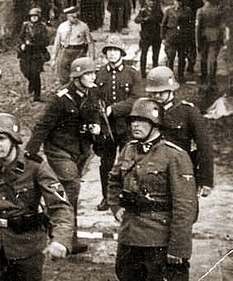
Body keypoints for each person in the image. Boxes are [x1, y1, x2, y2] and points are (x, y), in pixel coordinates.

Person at [0, 113, 73, 281]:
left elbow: (61, 206)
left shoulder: (35, 166)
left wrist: (60, 239)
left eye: (1, 138)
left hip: (26, 247)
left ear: (14, 140)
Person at [107, 98, 197, 281]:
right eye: (132, 121)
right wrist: (116, 207)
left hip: (158, 240)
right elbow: (113, 181)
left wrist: (178, 248)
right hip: (129, 237)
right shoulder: (129, 150)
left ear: (155, 125)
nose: (135, 125)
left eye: (141, 121)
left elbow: (185, 206)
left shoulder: (174, 156)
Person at [25, 57, 103, 254]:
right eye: (88, 74)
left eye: (93, 73)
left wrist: (96, 127)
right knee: (71, 188)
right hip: (58, 149)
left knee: (66, 191)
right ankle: (68, 238)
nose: (92, 77)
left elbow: (95, 114)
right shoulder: (60, 98)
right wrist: (29, 152)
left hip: (81, 150)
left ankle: (58, 231)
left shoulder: (92, 92)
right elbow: (43, 125)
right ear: (77, 77)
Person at [144, 67, 214, 197]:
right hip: (152, 172)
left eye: (162, 92)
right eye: (154, 93)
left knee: (183, 211)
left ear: (171, 90)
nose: (157, 96)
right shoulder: (144, 111)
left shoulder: (188, 112)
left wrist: (206, 181)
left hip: (180, 171)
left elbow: (205, 146)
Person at [94, 35, 143, 211]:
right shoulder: (99, 73)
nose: (112, 54)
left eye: (115, 50)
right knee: (106, 164)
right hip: (107, 128)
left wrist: (114, 109)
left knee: (127, 162)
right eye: (109, 51)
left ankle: (125, 196)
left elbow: (137, 99)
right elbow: (94, 97)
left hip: (126, 126)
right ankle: (107, 197)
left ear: (121, 53)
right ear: (105, 54)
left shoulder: (132, 73)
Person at [51, 6, 94, 86]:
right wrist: (53, 58)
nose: (75, 19)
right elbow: (57, 43)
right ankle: (65, 91)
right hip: (65, 52)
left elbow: (90, 43)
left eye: (76, 16)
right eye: (73, 17)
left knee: (79, 73)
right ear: (68, 16)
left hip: (79, 52)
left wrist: (91, 58)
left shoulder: (83, 26)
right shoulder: (62, 27)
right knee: (63, 74)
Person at [18, 7, 50, 101]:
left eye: (36, 16)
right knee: (26, 71)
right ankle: (31, 83)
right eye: (32, 16)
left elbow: (46, 41)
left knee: (35, 73)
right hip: (26, 53)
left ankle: (37, 95)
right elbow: (20, 37)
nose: (34, 18)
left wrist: (36, 44)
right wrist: (22, 44)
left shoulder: (42, 27)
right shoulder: (25, 25)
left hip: (37, 53)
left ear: (39, 17)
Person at [195, 0, 224, 86]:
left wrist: (197, 41)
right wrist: (221, 38)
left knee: (203, 57)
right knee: (213, 59)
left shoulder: (201, 11)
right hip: (215, 36)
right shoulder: (218, 10)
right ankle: (211, 78)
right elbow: (221, 26)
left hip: (203, 36)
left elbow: (198, 27)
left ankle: (203, 77)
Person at [161, 0, 193, 82]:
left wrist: (189, 37)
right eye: (177, 1)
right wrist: (163, 38)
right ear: (174, 2)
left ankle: (181, 75)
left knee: (182, 57)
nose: (178, 3)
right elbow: (163, 25)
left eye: (180, 1)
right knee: (170, 57)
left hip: (183, 38)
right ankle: (169, 76)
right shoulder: (169, 11)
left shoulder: (187, 11)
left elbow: (190, 25)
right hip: (171, 37)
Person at [134, 0, 164, 75]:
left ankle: (155, 71)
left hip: (156, 35)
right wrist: (144, 19)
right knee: (144, 54)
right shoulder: (143, 11)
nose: (151, 3)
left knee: (155, 55)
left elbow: (163, 20)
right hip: (146, 35)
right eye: (149, 1)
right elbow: (136, 20)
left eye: (152, 1)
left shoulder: (158, 10)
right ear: (146, 2)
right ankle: (143, 72)